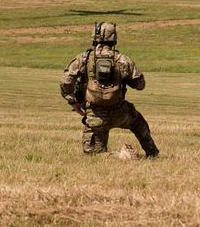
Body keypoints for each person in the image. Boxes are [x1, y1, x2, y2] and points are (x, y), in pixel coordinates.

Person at [60, 22, 159, 158]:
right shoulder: (122, 60)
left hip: (95, 115)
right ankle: (152, 153)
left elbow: (66, 81)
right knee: (138, 122)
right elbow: (140, 85)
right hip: (121, 112)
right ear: (114, 39)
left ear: (94, 38)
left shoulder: (84, 59)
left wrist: (73, 102)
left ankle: (120, 156)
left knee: (93, 154)